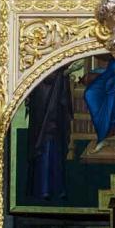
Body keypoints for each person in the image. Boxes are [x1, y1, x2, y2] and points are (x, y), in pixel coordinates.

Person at [26, 67, 73, 200]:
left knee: (55, 147)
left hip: (55, 105)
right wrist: (63, 73)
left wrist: (64, 73)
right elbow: (46, 75)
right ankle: (44, 189)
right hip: (44, 103)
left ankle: (56, 188)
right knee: (44, 146)